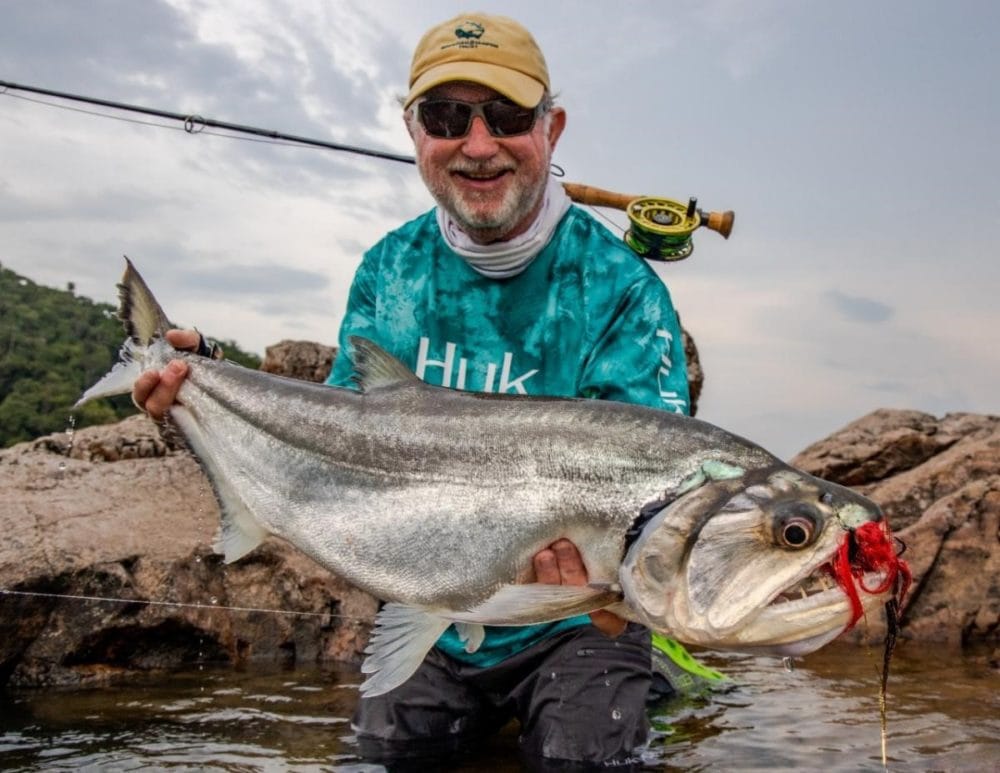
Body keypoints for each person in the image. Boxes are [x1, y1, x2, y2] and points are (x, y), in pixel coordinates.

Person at [133, 12, 703, 768]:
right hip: (431, 610)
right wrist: (205, 371)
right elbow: (340, 433)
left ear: (552, 129)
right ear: (413, 131)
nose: (476, 144)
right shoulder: (388, 270)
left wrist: (604, 604)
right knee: (384, 758)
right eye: (445, 117)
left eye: (504, 116)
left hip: (578, 628)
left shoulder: (623, 292)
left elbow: (654, 518)